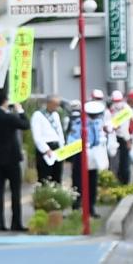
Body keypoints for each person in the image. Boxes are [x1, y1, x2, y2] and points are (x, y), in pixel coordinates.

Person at [0, 85, 31, 233]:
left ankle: (0, 224)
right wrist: (20, 111)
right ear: (5, 100)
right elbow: (25, 125)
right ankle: (16, 223)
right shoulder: (10, 117)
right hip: (11, 158)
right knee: (15, 192)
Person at [66, 89, 108, 218]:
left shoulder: (97, 123)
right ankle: (76, 206)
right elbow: (71, 139)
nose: (95, 117)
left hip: (93, 154)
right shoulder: (78, 122)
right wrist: (82, 144)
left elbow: (98, 136)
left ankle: (91, 207)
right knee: (78, 181)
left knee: (92, 181)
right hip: (80, 155)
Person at [30, 94, 65, 184]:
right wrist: (46, 149)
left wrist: (62, 145)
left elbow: (59, 132)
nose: (57, 107)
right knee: (45, 176)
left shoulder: (55, 115)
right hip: (46, 147)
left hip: (56, 146)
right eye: (55, 104)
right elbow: (37, 135)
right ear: (49, 103)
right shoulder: (38, 115)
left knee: (57, 176)